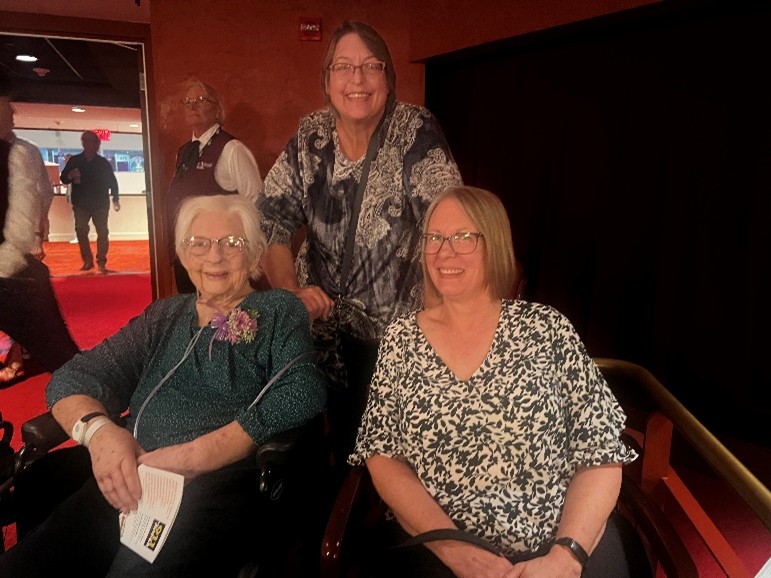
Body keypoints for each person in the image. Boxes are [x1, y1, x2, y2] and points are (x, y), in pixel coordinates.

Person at [0, 194, 327, 576]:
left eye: (231, 243)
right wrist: (101, 433)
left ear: (254, 254)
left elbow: (303, 389)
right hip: (129, 472)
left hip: (211, 486)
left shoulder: (278, 311)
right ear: (183, 254)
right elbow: (73, 377)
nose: (214, 256)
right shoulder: (164, 315)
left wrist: (193, 456)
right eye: (199, 243)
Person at [350, 186, 639, 578]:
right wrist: (454, 549)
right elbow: (383, 455)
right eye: (434, 237)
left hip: (558, 544)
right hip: (439, 552)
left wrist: (566, 557)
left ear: (495, 244)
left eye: (463, 237)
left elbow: (601, 454)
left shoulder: (547, 329)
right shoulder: (401, 340)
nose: (444, 252)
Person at [258, 20, 463, 466]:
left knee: (385, 455)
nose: (357, 79)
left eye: (371, 66)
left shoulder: (414, 130)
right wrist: (291, 294)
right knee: (323, 448)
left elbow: (448, 225)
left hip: (395, 339)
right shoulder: (310, 138)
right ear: (327, 79)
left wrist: (438, 325)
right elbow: (271, 222)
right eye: (344, 67)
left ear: (388, 78)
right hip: (320, 331)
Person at [0, 78, 79, 378]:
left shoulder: (21, 152)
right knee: (60, 354)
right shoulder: (16, 152)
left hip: (13, 271)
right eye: (7, 108)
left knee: (61, 356)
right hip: (13, 272)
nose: (12, 114)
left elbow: (35, 201)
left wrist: (34, 239)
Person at [167, 79, 263, 293]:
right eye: (188, 101)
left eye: (200, 100)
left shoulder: (232, 149)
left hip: (220, 261)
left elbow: (258, 205)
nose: (193, 106)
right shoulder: (183, 152)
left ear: (217, 110)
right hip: (187, 257)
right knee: (192, 310)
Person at [60, 130, 120, 274]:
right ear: (84, 143)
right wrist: (70, 175)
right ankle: (87, 260)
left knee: (102, 232)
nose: (93, 145)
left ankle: (101, 261)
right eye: (89, 142)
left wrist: (115, 198)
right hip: (81, 203)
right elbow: (63, 178)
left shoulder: (103, 163)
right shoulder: (75, 161)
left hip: (100, 203)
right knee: (81, 230)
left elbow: (112, 181)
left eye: (95, 143)